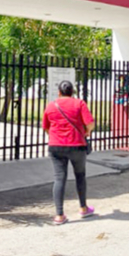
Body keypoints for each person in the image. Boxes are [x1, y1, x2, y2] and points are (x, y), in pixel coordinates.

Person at [41, 80, 95, 225]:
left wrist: (55, 136)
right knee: (80, 176)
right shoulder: (79, 104)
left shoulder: (51, 105)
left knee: (59, 178)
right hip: (77, 145)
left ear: (59, 92)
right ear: (72, 92)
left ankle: (59, 215)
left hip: (56, 146)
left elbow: (45, 127)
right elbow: (90, 123)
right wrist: (87, 132)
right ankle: (83, 208)